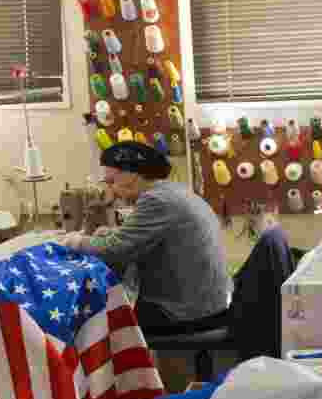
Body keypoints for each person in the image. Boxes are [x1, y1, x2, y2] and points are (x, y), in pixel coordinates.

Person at [59, 141, 232, 335]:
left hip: (188, 313)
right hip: (209, 304)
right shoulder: (173, 192)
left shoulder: (156, 200)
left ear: (131, 174)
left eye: (111, 182)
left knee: (91, 322)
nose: (111, 190)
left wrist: (76, 240)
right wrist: (112, 234)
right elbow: (140, 239)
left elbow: (114, 250)